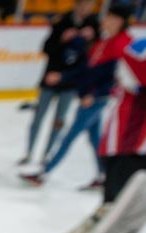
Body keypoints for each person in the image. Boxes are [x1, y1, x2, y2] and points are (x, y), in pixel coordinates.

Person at [55, 36, 146, 233]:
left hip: (133, 149)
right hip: (128, 148)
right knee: (116, 211)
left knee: (124, 213)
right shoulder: (139, 49)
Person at [20, 5, 132, 189]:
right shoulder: (105, 41)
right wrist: (62, 76)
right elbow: (86, 69)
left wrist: (94, 94)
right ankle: (104, 175)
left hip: (95, 99)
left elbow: (116, 76)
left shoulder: (121, 44)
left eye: (108, 17)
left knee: (69, 136)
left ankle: (44, 173)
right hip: (91, 96)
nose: (103, 21)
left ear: (118, 21)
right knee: (95, 140)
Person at [19, 0, 99, 167]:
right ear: (76, 5)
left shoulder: (93, 25)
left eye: (89, 5)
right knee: (38, 117)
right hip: (50, 79)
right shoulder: (62, 22)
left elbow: (94, 58)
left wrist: (91, 40)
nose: (86, 8)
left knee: (59, 121)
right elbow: (46, 48)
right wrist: (62, 39)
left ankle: (46, 155)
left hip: (70, 84)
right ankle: (29, 153)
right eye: (84, 5)